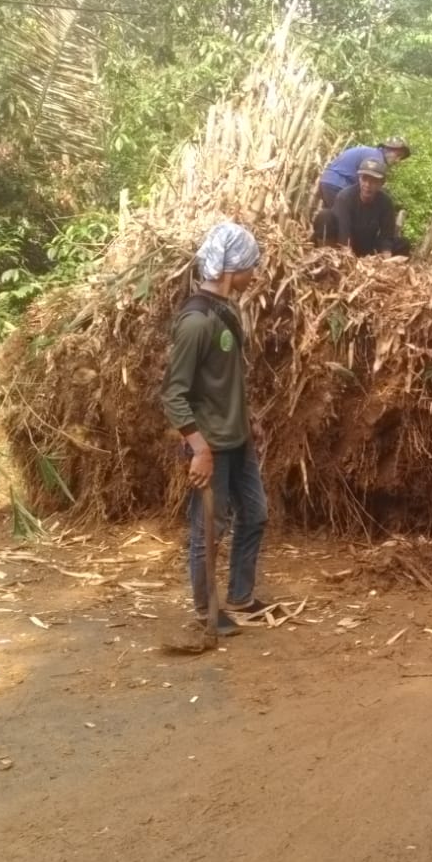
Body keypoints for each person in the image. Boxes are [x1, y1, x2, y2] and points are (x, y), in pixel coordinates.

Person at [160, 223, 272, 636]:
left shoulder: (225, 311)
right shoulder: (196, 322)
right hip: (213, 444)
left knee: (256, 515)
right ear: (231, 268)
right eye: (250, 266)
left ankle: (241, 595)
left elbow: (228, 380)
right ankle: (207, 611)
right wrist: (199, 448)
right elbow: (174, 393)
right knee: (209, 529)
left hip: (238, 438)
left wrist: (249, 416)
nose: (254, 274)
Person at [313, 158, 411, 257]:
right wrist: (346, 253)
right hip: (341, 242)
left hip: (365, 244)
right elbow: (343, 230)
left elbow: (387, 234)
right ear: (359, 179)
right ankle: (326, 255)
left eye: (373, 181)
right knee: (324, 216)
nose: (367, 185)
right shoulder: (345, 197)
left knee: (403, 244)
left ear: (381, 183)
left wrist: (386, 253)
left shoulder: (386, 202)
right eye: (364, 179)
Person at [317, 136, 411, 208]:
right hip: (338, 185)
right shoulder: (376, 160)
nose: (398, 160)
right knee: (347, 221)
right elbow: (370, 186)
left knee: (330, 220)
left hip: (327, 181)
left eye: (400, 158)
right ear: (388, 149)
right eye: (398, 155)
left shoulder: (372, 153)